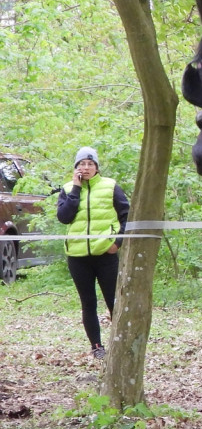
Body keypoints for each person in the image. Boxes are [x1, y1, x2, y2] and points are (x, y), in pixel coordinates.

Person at [56, 147, 130, 360]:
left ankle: (121, 343)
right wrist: (76, 190)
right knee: (88, 303)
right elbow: (64, 217)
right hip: (78, 257)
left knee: (114, 301)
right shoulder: (68, 188)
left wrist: (117, 242)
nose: (86, 168)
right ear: (76, 168)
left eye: (90, 164)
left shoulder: (111, 186)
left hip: (105, 255)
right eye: (82, 164)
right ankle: (97, 347)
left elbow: (127, 215)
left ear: (97, 167)